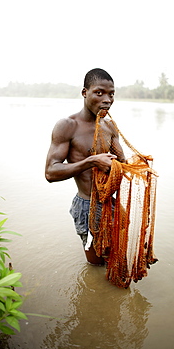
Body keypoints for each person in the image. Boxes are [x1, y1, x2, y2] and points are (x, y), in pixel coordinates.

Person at [45, 68, 125, 265]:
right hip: (87, 205)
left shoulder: (110, 127)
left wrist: (140, 167)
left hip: (110, 203)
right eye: (99, 92)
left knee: (117, 259)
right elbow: (50, 172)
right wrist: (92, 161)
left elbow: (123, 164)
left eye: (111, 94)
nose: (107, 99)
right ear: (84, 92)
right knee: (96, 265)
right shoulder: (67, 125)